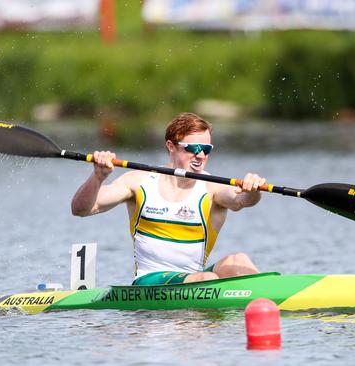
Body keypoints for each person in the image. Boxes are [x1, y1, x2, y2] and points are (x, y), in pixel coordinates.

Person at [71, 112, 266, 285]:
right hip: (150, 281)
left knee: (238, 261)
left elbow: (242, 201)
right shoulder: (138, 182)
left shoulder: (212, 187)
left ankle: (268, 300)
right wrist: (98, 177)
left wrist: (253, 189)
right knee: (208, 279)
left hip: (196, 279)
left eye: (206, 149)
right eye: (193, 148)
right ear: (171, 146)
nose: (200, 155)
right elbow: (81, 209)